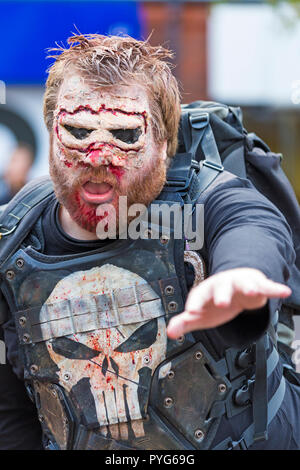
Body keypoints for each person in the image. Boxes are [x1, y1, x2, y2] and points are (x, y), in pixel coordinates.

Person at [0, 34, 299, 451]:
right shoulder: (12, 242)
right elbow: (12, 414)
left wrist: (243, 273)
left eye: (124, 133)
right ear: (51, 138)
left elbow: (251, 221)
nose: (97, 155)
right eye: (77, 131)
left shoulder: (205, 199)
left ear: (162, 147)